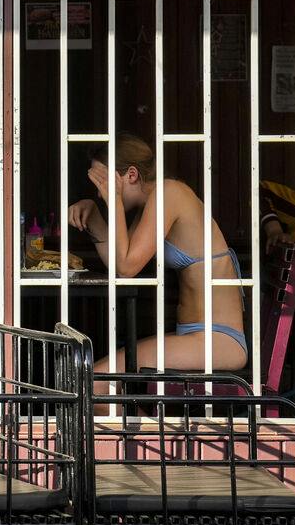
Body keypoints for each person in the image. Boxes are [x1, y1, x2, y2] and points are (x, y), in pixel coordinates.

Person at [67, 134, 248, 374]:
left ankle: (140, 415)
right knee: (95, 376)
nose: (102, 194)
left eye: (104, 184)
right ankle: (138, 414)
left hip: (219, 339)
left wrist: (116, 201)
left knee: (97, 380)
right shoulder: (150, 204)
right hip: (195, 335)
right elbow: (119, 262)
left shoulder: (169, 193)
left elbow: (127, 268)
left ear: (131, 175)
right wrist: (94, 216)